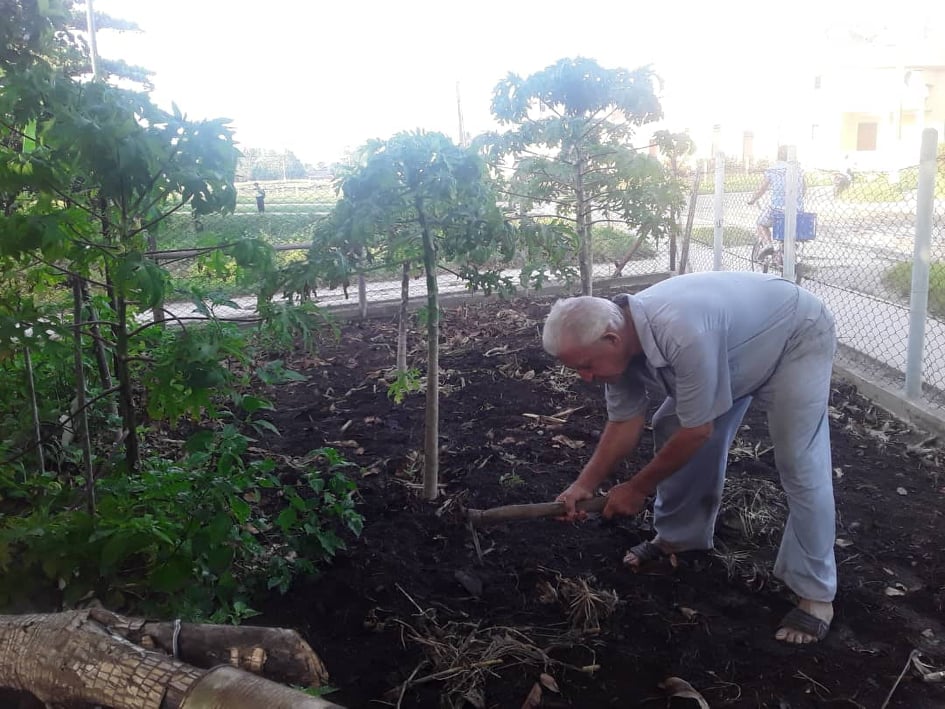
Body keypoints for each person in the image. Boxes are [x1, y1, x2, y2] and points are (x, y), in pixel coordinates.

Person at [542, 271, 837, 644]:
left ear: (612, 338)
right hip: (732, 345)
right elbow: (623, 422)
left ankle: (816, 593)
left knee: (799, 460)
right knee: (671, 424)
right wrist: (584, 484)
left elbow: (698, 431)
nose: (585, 377)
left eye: (585, 365)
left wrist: (636, 488)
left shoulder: (681, 332)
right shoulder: (616, 344)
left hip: (793, 334)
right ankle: (679, 538)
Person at [747, 146, 805, 243]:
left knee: (761, 223)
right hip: (797, 209)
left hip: (777, 209)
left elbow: (762, 188)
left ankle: (768, 244)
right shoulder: (799, 170)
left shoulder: (772, 170)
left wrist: (752, 200)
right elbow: (804, 189)